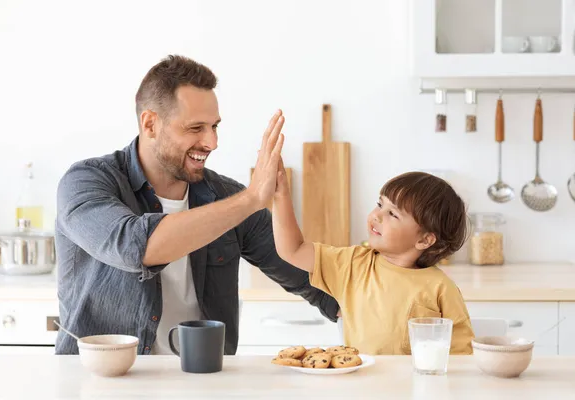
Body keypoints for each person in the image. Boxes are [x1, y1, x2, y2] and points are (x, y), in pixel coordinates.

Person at [54, 55, 339, 355]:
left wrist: (377, 288)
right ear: (150, 124)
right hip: (102, 382)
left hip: (202, 380)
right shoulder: (85, 182)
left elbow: (310, 278)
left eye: (214, 126)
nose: (212, 142)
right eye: (195, 128)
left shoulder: (227, 196)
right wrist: (253, 199)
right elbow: (136, 247)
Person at [272, 169, 474, 355]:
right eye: (380, 204)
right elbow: (293, 249)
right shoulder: (353, 263)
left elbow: (462, 357)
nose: (376, 215)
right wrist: (280, 194)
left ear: (424, 240)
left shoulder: (441, 289)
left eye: (392, 214)